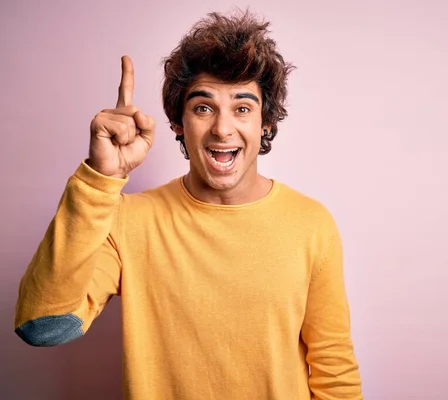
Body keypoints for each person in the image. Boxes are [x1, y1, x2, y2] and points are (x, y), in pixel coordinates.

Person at [14, 9, 363, 400]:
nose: (222, 128)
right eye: (203, 107)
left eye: (243, 108)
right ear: (178, 121)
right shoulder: (129, 220)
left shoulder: (310, 224)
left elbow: (334, 371)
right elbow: (42, 327)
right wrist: (99, 178)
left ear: (266, 123)